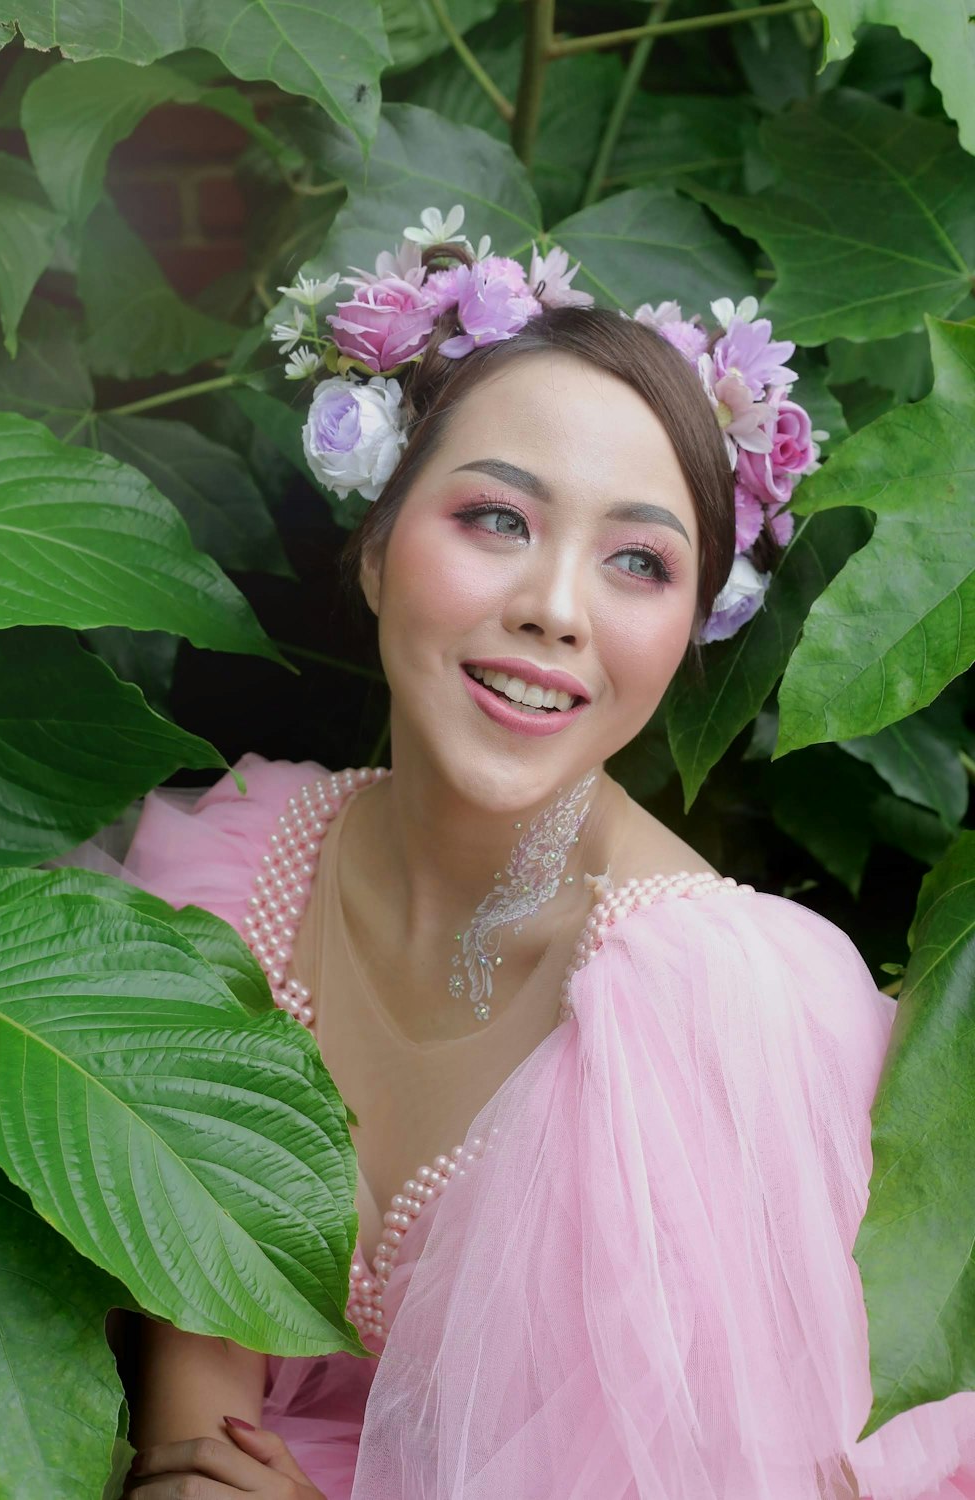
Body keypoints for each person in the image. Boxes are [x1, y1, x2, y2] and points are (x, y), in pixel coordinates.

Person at [118, 287, 975, 1499]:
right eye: (495, 518)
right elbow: (189, 1371)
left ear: (692, 627)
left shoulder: (720, 1011)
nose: (554, 610)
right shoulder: (238, 865)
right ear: (373, 552)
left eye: (637, 560)